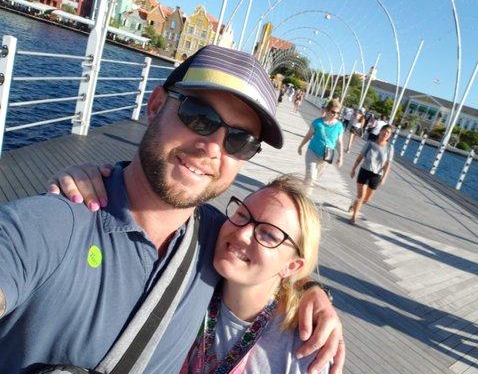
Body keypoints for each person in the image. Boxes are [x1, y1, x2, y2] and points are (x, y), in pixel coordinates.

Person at [0, 45, 343, 373]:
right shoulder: (54, 224)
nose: (212, 148)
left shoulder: (216, 237)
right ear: (155, 105)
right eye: (199, 115)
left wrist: (313, 292)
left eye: (239, 139)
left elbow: (270, 256)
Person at [180, 174, 328, 373]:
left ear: (292, 267)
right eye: (241, 215)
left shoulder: (303, 354)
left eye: (268, 234)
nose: (242, 233)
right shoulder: (188, 271)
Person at [348, 124, 394, 224]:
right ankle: (354, 217)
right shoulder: (370, 144)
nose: (385, 133)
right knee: (361, 196)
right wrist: (353, 169)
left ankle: (354, 205)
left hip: (377, 174)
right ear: (380, 131)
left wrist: (384, 177)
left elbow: (388, 164)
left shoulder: (390, 148)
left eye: (388, 132)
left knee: (366, 199)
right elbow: (360, 157)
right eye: (384, 131)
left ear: (390, 135)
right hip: (364, 170)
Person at [298, 99, 344, 196]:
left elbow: (339, 142)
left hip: (326, 155)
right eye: (333, 112)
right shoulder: (317, 122)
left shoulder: (339, 126)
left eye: (337, 113)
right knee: (311, 176)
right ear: (327, 110)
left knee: (313, 178)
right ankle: (304, 197)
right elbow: (308, 135)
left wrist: (341, 157)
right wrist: (301, 146)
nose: (335, 115)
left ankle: (302, 192)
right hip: (313, 151)